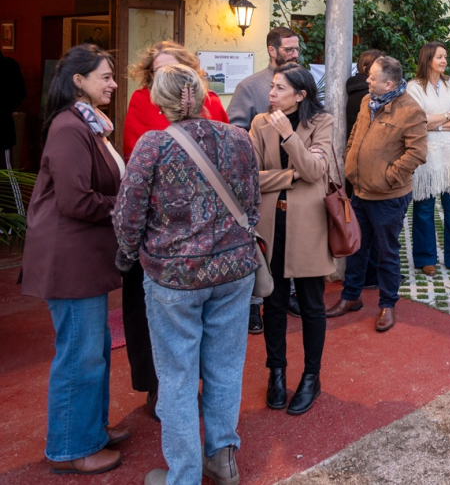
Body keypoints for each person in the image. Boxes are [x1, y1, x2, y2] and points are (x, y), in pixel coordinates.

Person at [114, 65, 260, 485]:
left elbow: (128, 215)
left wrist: (127, 255)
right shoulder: (237, 138)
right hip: (235, 271)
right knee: (226, 367)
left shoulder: (152, 145)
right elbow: (253, 203)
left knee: (177, 378)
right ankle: (223, 459)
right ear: (201, 96)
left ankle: (184, 475)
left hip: (175, 277)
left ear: (159, 102)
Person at [21, 45, 126, 476]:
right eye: (105, 76)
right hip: (69, 260)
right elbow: (76, 199)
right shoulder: (69, 128)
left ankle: (91, 430)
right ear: (78, 80)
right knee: (80, 355)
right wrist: (127, 205)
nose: (113, 84)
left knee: (94, 349)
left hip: (81, 258)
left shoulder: (87, 124)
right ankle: (72, 448)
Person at [122, 40, 230, 420]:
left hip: (207, 228)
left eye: (172, 71)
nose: (163, 78)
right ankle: (155, 388)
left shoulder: (213, 102)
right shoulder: (140, 101)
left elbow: (225, 156)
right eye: (157, 72)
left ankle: (193, 389)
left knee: (205, 321)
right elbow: (136, 159)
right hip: (160, 229)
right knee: (149, 316)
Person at [250, 64, 334, 416]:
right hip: (271, 227)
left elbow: (317, 171)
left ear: (300, 95)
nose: (272, 93)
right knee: (275, 304)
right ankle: (277, 372)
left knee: (313, 306)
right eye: (272, 86)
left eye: (280, 88)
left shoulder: (321, 123)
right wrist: (291, 175)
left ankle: (311, 376)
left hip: (309, 227)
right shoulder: (258, 123)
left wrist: (289, 136)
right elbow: (252, 177)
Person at [327, 56, 427, 332]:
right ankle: (351, 297)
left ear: (389, 83)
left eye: (372, 77)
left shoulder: (411, 111)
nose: (366, 79)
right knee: (356, 249)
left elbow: (417, 153)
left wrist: (388, 177)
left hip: (388, 197)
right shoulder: (365, 102)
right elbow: (356, 133)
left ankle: (387, 304)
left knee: (386, 253)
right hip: (359, 190)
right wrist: (350, 159)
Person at [228, 27, 300, 334]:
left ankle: (291, 293)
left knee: (293, 240)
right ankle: (253, 305)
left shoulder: (303, 81)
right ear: (272, 50)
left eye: (297, 48)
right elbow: (234, 130)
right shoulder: (249, 87)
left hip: (297, 183)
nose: (295, 53)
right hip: (261, 181)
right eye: (288, 49)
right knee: (259, 244)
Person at [407, 42, 450, 275]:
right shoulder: (413, 87)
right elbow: (416, 120)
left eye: (445, 57)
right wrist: (446, 115)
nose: (444, 61)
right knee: (423, 209)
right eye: (439, 57)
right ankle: (426, 258)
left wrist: (438, 126)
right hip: (426, 157)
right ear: (427, 59)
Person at [344, 50, 383, 288]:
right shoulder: (367, 96)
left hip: (355, 167)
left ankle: (358, 281)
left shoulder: (351, 90)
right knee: (373, 226)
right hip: (370, 170)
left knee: (360, 225)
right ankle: (370, 275)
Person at [0, 48, 26, 169]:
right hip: (4, 122)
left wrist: (6, 108)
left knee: (6, 167)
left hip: (3, 126)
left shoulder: (8, 66)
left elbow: (20, 93)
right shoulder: (9, 65)